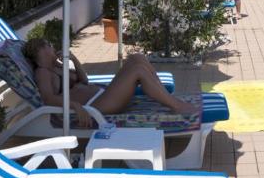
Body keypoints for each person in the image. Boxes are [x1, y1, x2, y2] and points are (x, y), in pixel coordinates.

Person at [24, 38, 197, 127]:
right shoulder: (43, 72)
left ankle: (165, 97)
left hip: (101, 94)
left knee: (137, 58)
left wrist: (74, 60)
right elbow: (48, 98)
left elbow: (84, 80)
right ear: (41, 50)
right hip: (95, 106)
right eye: (49, 46)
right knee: (138, 70)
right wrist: (76, 106)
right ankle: (176, 106)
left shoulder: (56, 66)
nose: (53, 48)